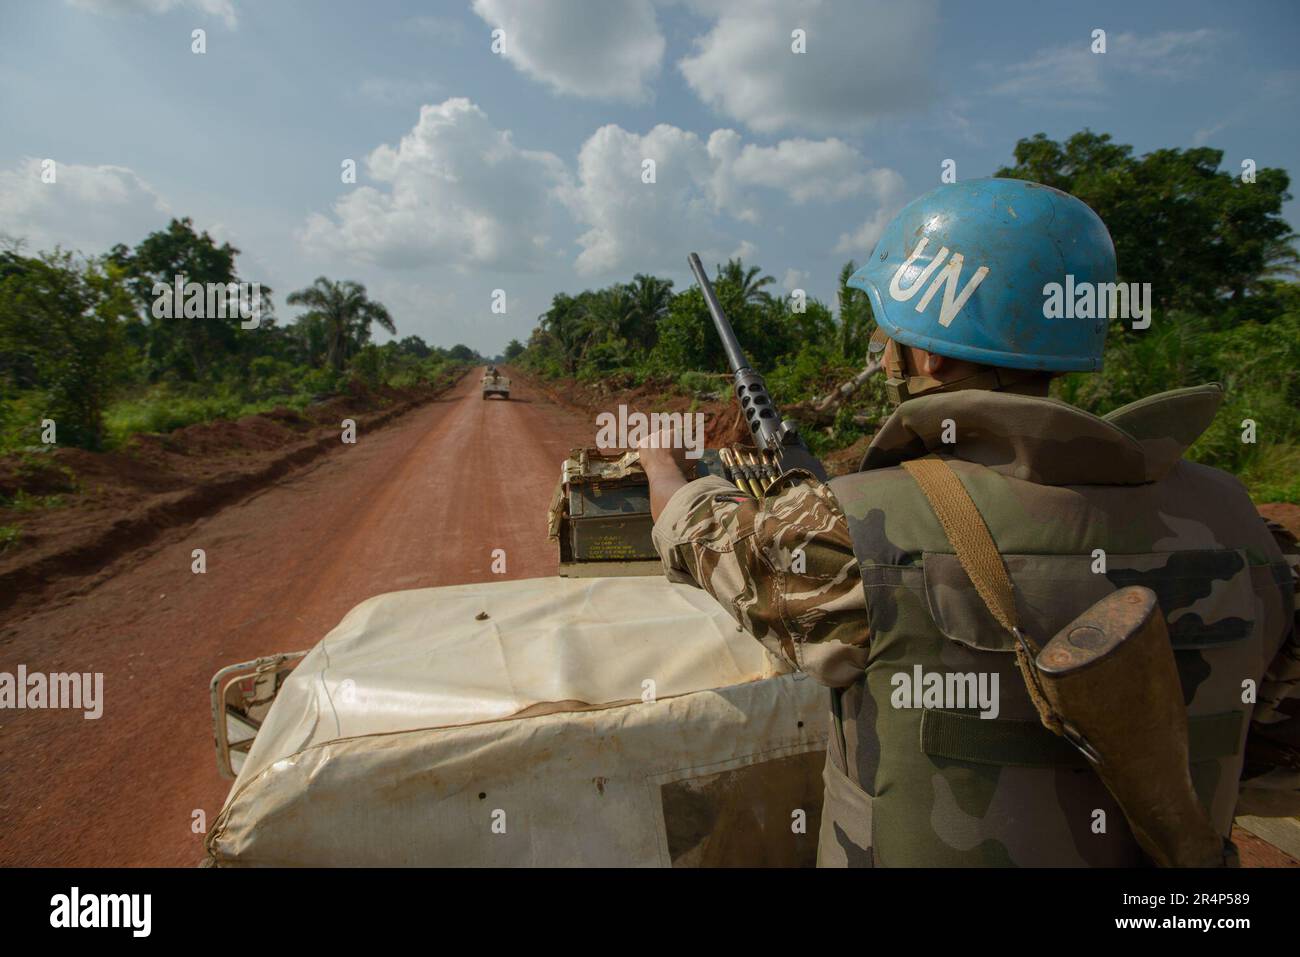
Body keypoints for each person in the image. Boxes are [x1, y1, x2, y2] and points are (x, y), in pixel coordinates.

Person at [637, 178, 1298, 867]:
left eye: (890, 331)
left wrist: (662, 464)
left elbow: (703, 536)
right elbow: (1272, 743)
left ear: (929, 355)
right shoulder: (1241, 527)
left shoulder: (849, 532)